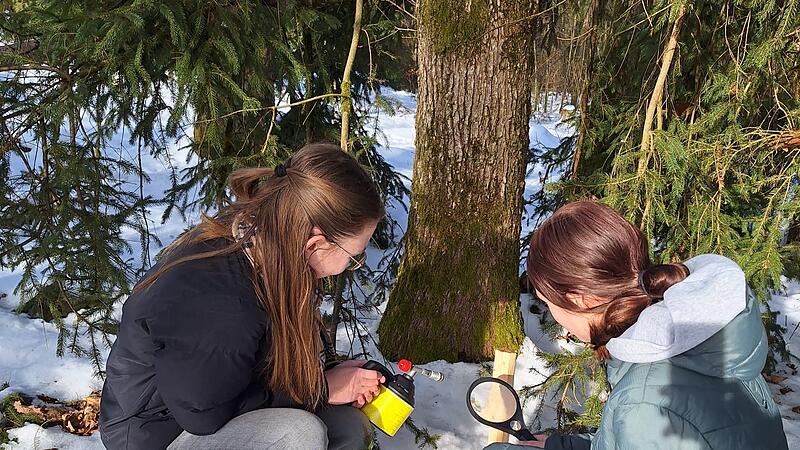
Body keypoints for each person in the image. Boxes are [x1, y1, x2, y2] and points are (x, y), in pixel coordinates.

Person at [100, 143, 386, 450]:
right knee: (298, 434)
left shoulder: (268, 247)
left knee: (346, 427)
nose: (351, 266)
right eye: (353, 256)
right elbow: (203, 414)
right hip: (159, 432)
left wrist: (326, 378)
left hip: (208, 406)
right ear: (314, 244)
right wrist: (317, 390)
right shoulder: (222, 303)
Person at [488, 200, 788, 450]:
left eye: (548, 302)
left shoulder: (645, 406)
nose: (554, 316)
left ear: (580, 299)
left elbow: (649, 422)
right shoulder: (702, 343)